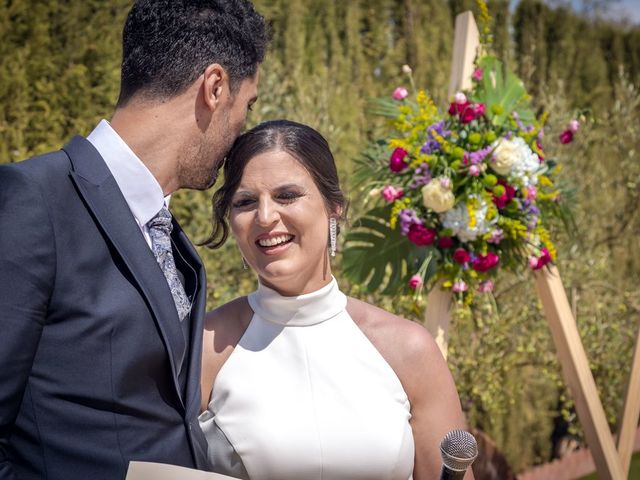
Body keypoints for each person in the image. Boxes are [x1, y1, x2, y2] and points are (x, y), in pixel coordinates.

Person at [0, 1, 267, 478]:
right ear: (214, 87)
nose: (240, 130)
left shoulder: (173, 242)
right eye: (246, 107)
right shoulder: (33, 200)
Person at [199, 120, 474, 480]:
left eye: (287, 195)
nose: (265, 217)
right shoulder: (203, 348)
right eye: (246, 202)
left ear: (335, 207)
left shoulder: (408, 350)